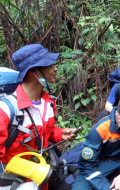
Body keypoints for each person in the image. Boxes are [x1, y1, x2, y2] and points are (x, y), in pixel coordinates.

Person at [0, 44, 77, 190]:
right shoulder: (5, 110)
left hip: (42, 178)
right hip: (15, 183)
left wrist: (61, 133)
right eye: (49, 65)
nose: (55, 69)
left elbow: (46, 131)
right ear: (34, 71)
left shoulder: (48, 103)